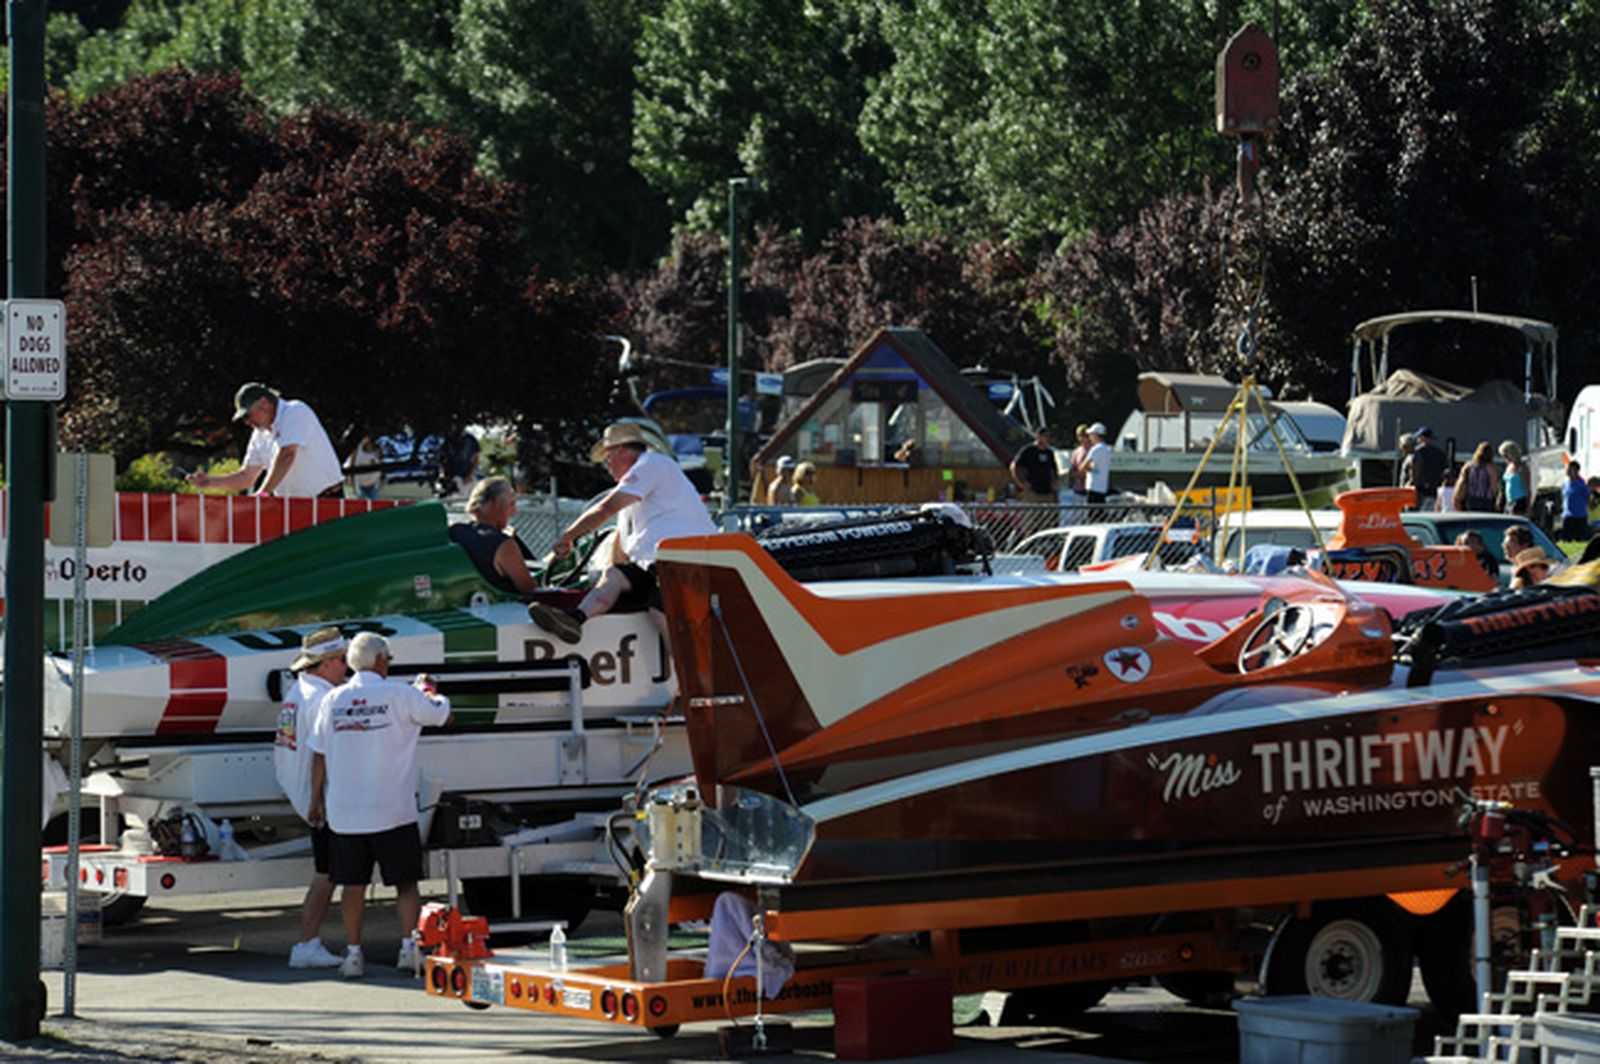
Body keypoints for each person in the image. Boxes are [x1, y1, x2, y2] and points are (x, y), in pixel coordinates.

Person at [309, 632, 450, 979]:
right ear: (381, 660)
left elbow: (319, 753)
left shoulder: (333, 700)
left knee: (351, 886)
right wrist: (428, 689)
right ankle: (408, 948)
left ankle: (354, 954)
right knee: (405, 884)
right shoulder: (402, 694)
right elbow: (441, 715)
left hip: (345, 813)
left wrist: (315, 800)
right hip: (393, 809)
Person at [527, 422, 716, 646]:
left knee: (660, 613)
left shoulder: (652, 464)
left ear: (622, 451)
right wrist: (601, 580)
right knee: (615, 576)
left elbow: (604, 509)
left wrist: (567, 536)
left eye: (608, 459)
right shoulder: (633, 496)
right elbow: (620, 552)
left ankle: (692, 677)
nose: (607, 466)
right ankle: (576, 618)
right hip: (662, 563)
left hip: (685, 559)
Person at [275, 628, 350, 970]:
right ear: (325, 664)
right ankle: (306, 942)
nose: (347, 668)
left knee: (329, 872)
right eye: (342, 661)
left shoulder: (298, 692)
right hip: (322, 798)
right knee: (328, 874)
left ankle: (309, 942)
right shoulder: (322, 699)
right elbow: (323, 753)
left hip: (305, 792)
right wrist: (319, 799)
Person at [189, 383, 343, 498]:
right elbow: (247, 476)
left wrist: (263, 494)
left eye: (247, 415)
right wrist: (210, 482)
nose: (247, 422)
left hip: (328, 499)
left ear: (264, 403)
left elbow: (287, 455)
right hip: (295, 506)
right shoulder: (259, 434)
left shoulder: (295, 411)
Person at [449, 476, 539, 595]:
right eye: (512, 504)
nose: (514, 511)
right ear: (497, 505)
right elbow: (531, 590)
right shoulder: (504, 545)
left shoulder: (456, 532)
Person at [1010, 427, 1059, 504]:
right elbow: (1014, 466)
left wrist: (1054, 483)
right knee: (1033, 514)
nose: (1047, 439)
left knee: (1049, 514)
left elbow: (1053, 469)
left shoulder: (1049, 452)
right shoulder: (1028, 450)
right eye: (1045, 436)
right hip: (1032, 492)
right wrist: (1020, 483)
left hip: (1047, 492)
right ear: (1038, 437)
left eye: (1048, 437)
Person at [1454, 442, 1498, 512]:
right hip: (1486, 499)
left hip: (1471, 498)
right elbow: (1494, 487)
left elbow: (1462, 481)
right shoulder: (1490, 468)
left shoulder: (1468, 466)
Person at [1409, 427, 1447, 508]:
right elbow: (1444, 470)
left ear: (1423, 438)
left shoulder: (1417, 453)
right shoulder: (1440, 454)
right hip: (1435, 487)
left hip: (1420, 488)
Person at [440, 430, 481, 496]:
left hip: (468, 476)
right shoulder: (448, 440)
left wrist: (469, 476)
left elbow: (476, 459)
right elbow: (441, 459)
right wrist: (445, 476)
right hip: (453, 476)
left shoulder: (471, 439)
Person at [345, 436, 384, 501]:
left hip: (373, 484)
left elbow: (381, 466)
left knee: (378, 504)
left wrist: (381, 482)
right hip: (359, 485)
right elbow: (351, 466)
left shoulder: (377, 450)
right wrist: (350, 480)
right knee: (360, 506)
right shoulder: (357, 450)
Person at [1561, 461, 1591, 542]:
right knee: (1566, 540)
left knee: (1580, 540)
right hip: (1567, 516)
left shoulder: (1581, 485)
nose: (1568, 471)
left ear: (1577, 471)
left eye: (1571, 469)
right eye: (1568, 469)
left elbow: (1588, 498)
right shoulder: (1565, 484)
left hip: (1579, 517)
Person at [1083, 422, 1112, 505]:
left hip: (1093, 486)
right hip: (1102, 487)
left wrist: (1090, 469)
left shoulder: (1095, 449)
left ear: (1096, 435)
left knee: (1091, 514)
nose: (1089, 437)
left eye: (1091, 435)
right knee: (1099, 513)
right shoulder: (1107, 449)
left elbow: (1084, 466)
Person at [1498, 440, 1529, 515]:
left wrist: (1528, 506)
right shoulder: (1508, 466)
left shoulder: (1522, 468)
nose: (1505, 458)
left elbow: (1527, 488)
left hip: (1519, 500)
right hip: (1509, 501)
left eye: (1506, 455)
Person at [1067, 424, 1091, 500]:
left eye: (1085, 435)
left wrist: (1085, 474)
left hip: (1090, 488)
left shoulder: (1093, 450)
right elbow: (1073, 467)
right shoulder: (1076, 452)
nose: (1083, 438)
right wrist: (1076, 475)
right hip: (1078, 488)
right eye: (1081, 436)